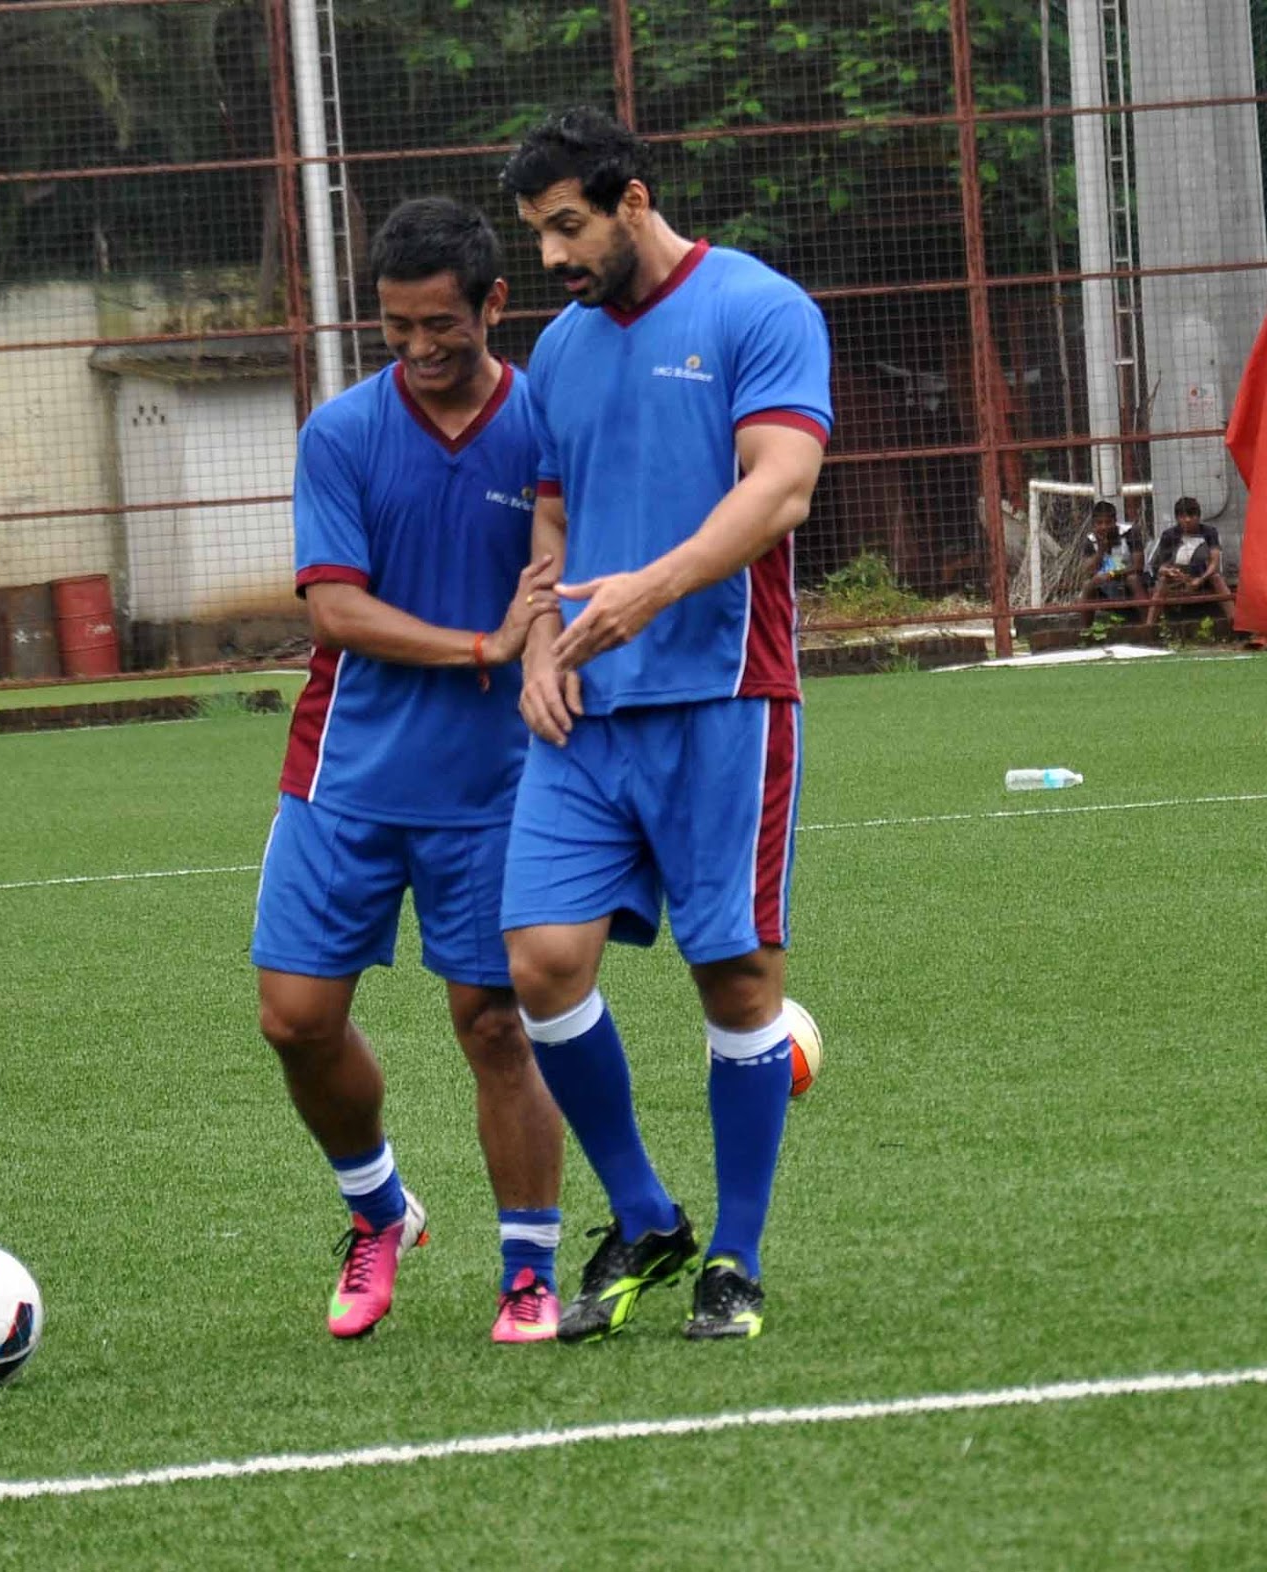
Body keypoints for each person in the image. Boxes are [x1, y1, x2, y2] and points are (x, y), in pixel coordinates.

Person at [497, 107, 832, 1342]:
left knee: (735, 977)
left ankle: (733, 1259)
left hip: (723, 698)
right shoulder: (558, 351)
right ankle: (642, 1212)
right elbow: (550, 521)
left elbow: (778, 487)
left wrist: (650, 586)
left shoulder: (758, 309)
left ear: (632, 200)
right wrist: (539, 639)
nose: (550, 257)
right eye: (536, 234)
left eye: (567, 227)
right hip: (584, 715)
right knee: (536, 961)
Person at [253, 196, 567, 1344]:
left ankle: (526, 1272)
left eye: (442, 325)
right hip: (344, 774)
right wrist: (480, 646)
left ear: (493, 302)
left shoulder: (544, 422)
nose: (422, 351)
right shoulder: (338, 435)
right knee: (293, 1021)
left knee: (493, 1026)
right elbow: (333, 608)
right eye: (395, 331)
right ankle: (376, 1208)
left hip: (494, 788)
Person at [1143, 495, 1233, 627]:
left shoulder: (1209, 532)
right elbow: (1160, 566)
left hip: (1203, 578)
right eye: (1182, 516)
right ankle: (1149, 626)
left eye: (1191, 516)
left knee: (1217, 578)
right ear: (1177, 518)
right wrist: (1170, 572)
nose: (1187, 520)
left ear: (1198, 516)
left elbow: (1214, 562)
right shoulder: (1169, 535)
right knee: (1162, 582)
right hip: (1178, 579)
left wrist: (1200, 579)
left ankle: (1235, 620)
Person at [1077, 501, 1144, 624]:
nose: (1104, 527)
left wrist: (1113, 574)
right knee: (1088, 585)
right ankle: (1085, 632)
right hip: (1105, 583)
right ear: (1094, 524)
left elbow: (1138, 566)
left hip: (1130, 579)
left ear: (1115, 521)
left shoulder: (1130, 532)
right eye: (1099, 523)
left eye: (1108, 522)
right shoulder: (1090, 540)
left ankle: (1147, 626)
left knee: (1133, 579)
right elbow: (1089, 570)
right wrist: (1101, 550)